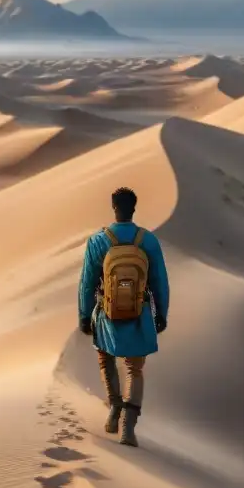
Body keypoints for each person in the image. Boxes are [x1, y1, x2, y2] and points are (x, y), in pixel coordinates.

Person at [78, 187, 169, 447]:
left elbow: (86, 282)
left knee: (105, 359)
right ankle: (128, 427)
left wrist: (85, 316)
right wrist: (161, 313)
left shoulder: (98, 241)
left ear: (113, 207)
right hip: (139, 314)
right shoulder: (148, 241)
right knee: (134, 369)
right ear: (134, 208)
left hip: (106, 313)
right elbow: (160, 281)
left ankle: (114, 409)